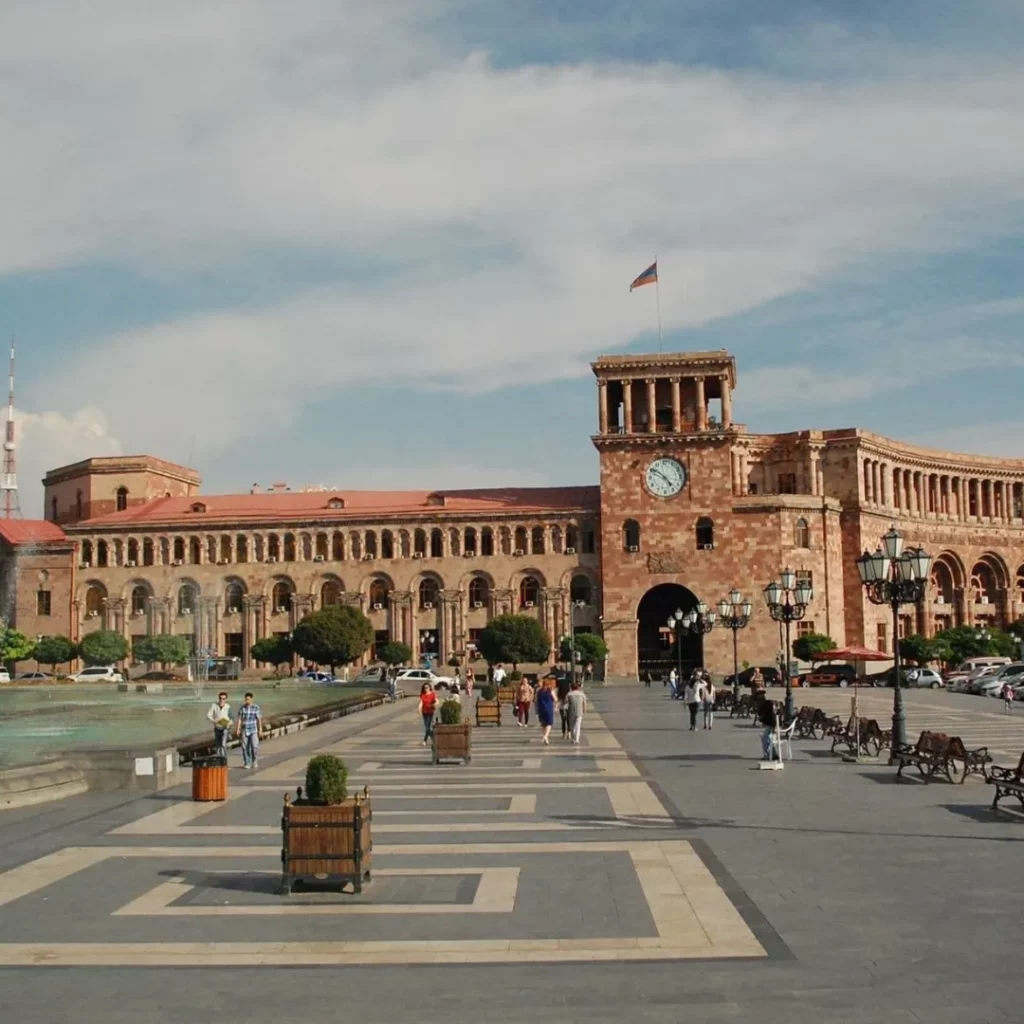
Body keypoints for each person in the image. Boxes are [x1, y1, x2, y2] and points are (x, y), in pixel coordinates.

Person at [234, 692, 264, 769]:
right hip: (244, 730)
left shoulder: (256, 707)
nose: (247, 701)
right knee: (244, 747)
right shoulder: (242, 708)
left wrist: (260, 729)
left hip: (253, 730)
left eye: (248, 699)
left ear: (251, 699)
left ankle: (254, 760)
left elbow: (259, 719)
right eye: (246, 699)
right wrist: (238, 729)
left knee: (254, 746)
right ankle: (247, 762)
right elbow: (240, 719)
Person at [207, 691, 231, 758]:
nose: (221, 700)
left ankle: (223, 758)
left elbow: (232, 718)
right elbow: (209, 715)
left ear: (226, 699)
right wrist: (214, 721)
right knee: (218, 744)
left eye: (223, 699)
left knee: (223, 743)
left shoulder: (228, 707)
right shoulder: (214, 705)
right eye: (220, 698)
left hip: (225, 727)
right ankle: (219, 758)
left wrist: (229, 723)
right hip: (217, 727)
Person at [566, 681, 588, 745]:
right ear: (578, 687)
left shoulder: (569, 694)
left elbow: (566, 702)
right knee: (578, 726)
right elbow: (584, 702)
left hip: (571, 711)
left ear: (571, 687)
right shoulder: (581, 694)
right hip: (579, 711)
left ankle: (573, 738)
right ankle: (577, 739)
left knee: (572, 726)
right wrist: (584, 709)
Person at [757, 696, 778, 760]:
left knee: (765, 738)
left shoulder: (766, 705)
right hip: (774, 724)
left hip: (772, 725)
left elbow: (762, 717)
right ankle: (774, 754)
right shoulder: (769, 704)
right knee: (770, 739)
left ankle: (768, 755)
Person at [536, 678, 556, 745]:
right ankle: (545, 736)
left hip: (541, 709)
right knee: (549, 723)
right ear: (548, 684)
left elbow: (536, 701)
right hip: (549, 709)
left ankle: (546, 739)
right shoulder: (550, 691)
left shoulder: (539, 691)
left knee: (544, 724)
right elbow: (555, 699)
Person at [556, 672, 573, 739]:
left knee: (563, 720)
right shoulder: (569, 693)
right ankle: (569, 733)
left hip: (562, 706)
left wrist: (556, 706)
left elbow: (558, 698)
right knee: (568, 719)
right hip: (568, 706)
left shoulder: (559, 693)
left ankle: (564, 733)